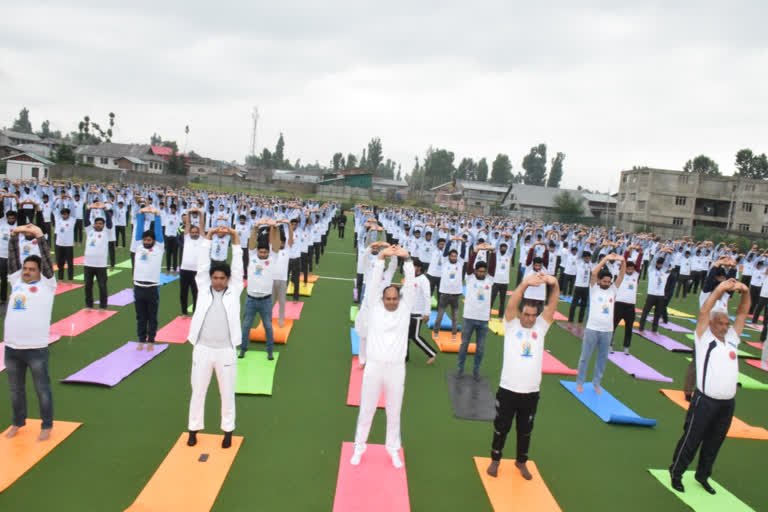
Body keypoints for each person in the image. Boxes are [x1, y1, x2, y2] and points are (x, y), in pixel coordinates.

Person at [669, 278, 750, 494]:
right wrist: (720, 289)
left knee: (714, 442)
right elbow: (705, 311)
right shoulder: (704, 339)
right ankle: (676, 473)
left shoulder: (732, 338)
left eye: (726, 324)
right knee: (692, 438)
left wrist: (746, 291)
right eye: (720, 323)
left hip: (727, 404)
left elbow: (742, 313)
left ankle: (702, 475)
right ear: (712, 324)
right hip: (705, 401)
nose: (725, 327)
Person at [486, 272, 559, 480]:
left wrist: (554, 284)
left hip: (531, 392)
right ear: (520, 314)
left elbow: (552, 306)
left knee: (525, 430)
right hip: (508, 388)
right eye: (525, 314)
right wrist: (525, 283)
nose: (529, 318)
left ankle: (521, 461)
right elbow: (511, 303)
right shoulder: (511, 326)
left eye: (532, 315)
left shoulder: (541, 328)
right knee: (501, 428)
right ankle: (495, 460)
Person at [351, 245, 414, 468]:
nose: (391, 301)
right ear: (382, 299)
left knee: (394, 410)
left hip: (396, 368)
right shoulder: (375, 307)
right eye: (388, 298)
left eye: (394, 298)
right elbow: (375, 284)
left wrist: (406, 260)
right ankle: (359, 446)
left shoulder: (405, 309)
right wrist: (381, 258)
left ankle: (393, 449)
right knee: (367, 408)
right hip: (375, 366)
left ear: (400, 299)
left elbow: (411, 286)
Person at [186, 226, 243, 450]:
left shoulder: (234, 290)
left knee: (227, 393)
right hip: (202, 348)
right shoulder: (203, 288)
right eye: (215, 277)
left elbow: (238, 267)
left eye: (222, 278)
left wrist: (235, 237)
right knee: (197, 391)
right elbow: (201, 264)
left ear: (228, 279)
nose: (218, 281)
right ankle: (193, 429)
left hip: (226, 350)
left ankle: (227, 431)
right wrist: (208, 237)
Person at [4, 224, 56, 441]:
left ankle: (46, 425)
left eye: (31, 269)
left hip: (35, 349)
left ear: (40, 271)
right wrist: (14, 236)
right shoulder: (16, 281)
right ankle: (18, 422)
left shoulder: (47, 285)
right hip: (12, 347)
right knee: (16, 390)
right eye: (25, 268)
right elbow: (13, 257)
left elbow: (44, 257)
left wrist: (40, 236)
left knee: (41, 389)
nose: (26, 271)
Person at [576, 253, 625, 394]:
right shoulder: (594, 289)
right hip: (592, 328)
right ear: (599, 281)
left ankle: (596, 383)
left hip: (607, 331)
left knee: (602, 359)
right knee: (585, 357)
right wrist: (606, 259)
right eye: (604, 281)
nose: (607, 284)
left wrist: (623, 261)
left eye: (609, 282)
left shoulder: (612, 290)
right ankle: (580, 382)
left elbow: (621, 276)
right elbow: (593, 273)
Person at [240, 219, 280, 359]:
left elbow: (275, 245)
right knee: (246, 326)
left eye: (265, 252)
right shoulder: (252, 257)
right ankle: (243, 349)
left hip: (266, 300)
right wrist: (256, 227)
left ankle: (269, 351)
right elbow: (251, 242)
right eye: (261, 252)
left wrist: (275, 228)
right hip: (251, 299)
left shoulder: (272, 258)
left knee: (268, 327)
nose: (263, 254)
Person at [133, 206, 164, 351]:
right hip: (138, 286)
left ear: (153, 240)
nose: (146, 241)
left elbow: (158, 232)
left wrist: (157, 215)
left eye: (149, 239)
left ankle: (151, 340)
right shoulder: (139, 246)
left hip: (152, 288)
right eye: (145, 239)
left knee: (152, 316)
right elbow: (139, 231)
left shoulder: (159, 247)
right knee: (140, 316)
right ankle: (141, 339)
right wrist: (141, 214)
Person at [457, 258, 493, 378]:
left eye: (484, 272)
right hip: (469, 317)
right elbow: (469, 265)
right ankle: (460, 369)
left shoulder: (489, 280)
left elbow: (493, 266)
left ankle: (476, 370)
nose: (481, 274)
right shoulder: (470, 279)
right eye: (479, 271)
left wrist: (492, 252)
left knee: (481, 348)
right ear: (475, 271)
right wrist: (475, 251)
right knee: (464, 345)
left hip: (483, 320)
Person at [83, 201, 113, 310]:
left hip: (101, 265)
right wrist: (89, 208)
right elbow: (86, 220)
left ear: (103, 225)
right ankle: (89, 305)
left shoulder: (106, 232)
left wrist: (104, 210)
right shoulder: (89, 231)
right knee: (88, 286)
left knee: (102, 286)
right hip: (88, 264)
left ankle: (103, 306)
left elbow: (109, 223)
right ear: (94, 224)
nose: (98, 225)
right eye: (97, 223)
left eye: (101, 223)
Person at [406, 260, 437, 364]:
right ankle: (405, 357)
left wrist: (427, 313)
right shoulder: (410, 278)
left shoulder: (424, 280)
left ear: (419, 267)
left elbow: (427, 297)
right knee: (405, 335)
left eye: (413, 266)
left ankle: (432, 353)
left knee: (415, 336)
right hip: (408, 312)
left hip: (417, 313)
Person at [611, 260, 639, 354]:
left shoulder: (635, 275)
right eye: (628, 268)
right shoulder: (621, 274)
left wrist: (641, 253)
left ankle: (626, 347)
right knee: (613, 326)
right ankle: (609, 344)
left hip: (630, 306)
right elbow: (623, 264)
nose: (630, 270)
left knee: (629, 328)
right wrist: (628, 250)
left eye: (632, 269)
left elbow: (638, 264)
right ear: (625, 268)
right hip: (619, 304)